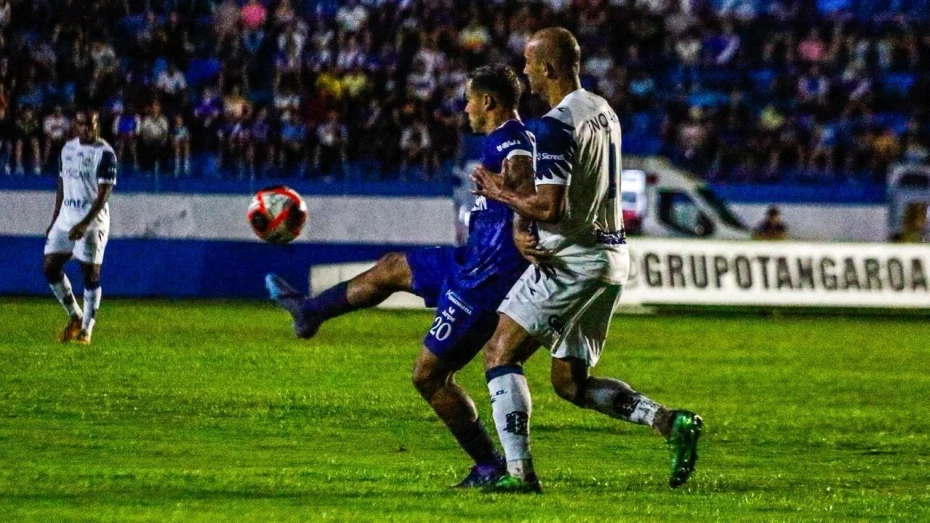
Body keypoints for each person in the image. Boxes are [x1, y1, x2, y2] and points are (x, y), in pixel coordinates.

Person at [265, 64, 535, 488]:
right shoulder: (508, 140)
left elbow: (524, 185)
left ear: (488, 102)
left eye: (469, 99)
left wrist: (505, 194)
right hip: (470, 260)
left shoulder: (511, 140)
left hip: (485, 280)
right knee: (393, 266)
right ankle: (310, 311)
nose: (465, 108)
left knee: (428, 376)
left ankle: (488, 465)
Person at [470, 28, 703, 493]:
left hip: (571, 259)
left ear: (549, 68)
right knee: (569, 383)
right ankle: (668, 422)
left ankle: (518, 476)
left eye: (530, 64)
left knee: (500, 353)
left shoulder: (554, 125)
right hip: (611, 257)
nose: (525, 73)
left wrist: (499, 192)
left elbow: (550, 207)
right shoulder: (602, 110)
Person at [42, 110, 117, 345]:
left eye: (91, 125)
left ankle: (87, 330)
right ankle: (75, 315)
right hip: (66, 218)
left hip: (92, 221)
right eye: (82, 125)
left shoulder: (105, 154)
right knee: (50, 267)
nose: (87, 129)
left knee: (90, 273)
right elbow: (62, 185)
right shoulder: (68, 149)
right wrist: (55, 219)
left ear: (97, 126)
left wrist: (84, 224)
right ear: (75, 125)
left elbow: (104, 194)